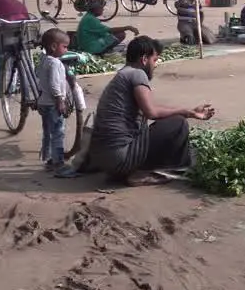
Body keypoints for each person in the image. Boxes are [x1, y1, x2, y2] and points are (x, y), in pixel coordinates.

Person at [89, 37, 215, 186]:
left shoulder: (123, 74)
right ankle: (154, 171)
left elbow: (151, 108)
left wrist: (189, 110)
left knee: (172, 122)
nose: (155, 65)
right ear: (144, 59)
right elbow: (151, 113)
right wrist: (188, 113)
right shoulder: (136, 74)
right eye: (154, 60)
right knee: (178, 124)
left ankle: (132, 170)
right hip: (120, 158)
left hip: (105, 160)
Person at [35, 28, 71, 174]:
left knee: (47, 132)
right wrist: (60, 100)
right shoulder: (55, 63)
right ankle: (58, 162)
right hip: (52, 103)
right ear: (54, 46)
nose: (66, 50)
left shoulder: (43, 60)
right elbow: (54, 83)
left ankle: (48, 158)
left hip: (43, 102)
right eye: (65, 46)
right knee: (58, 132)